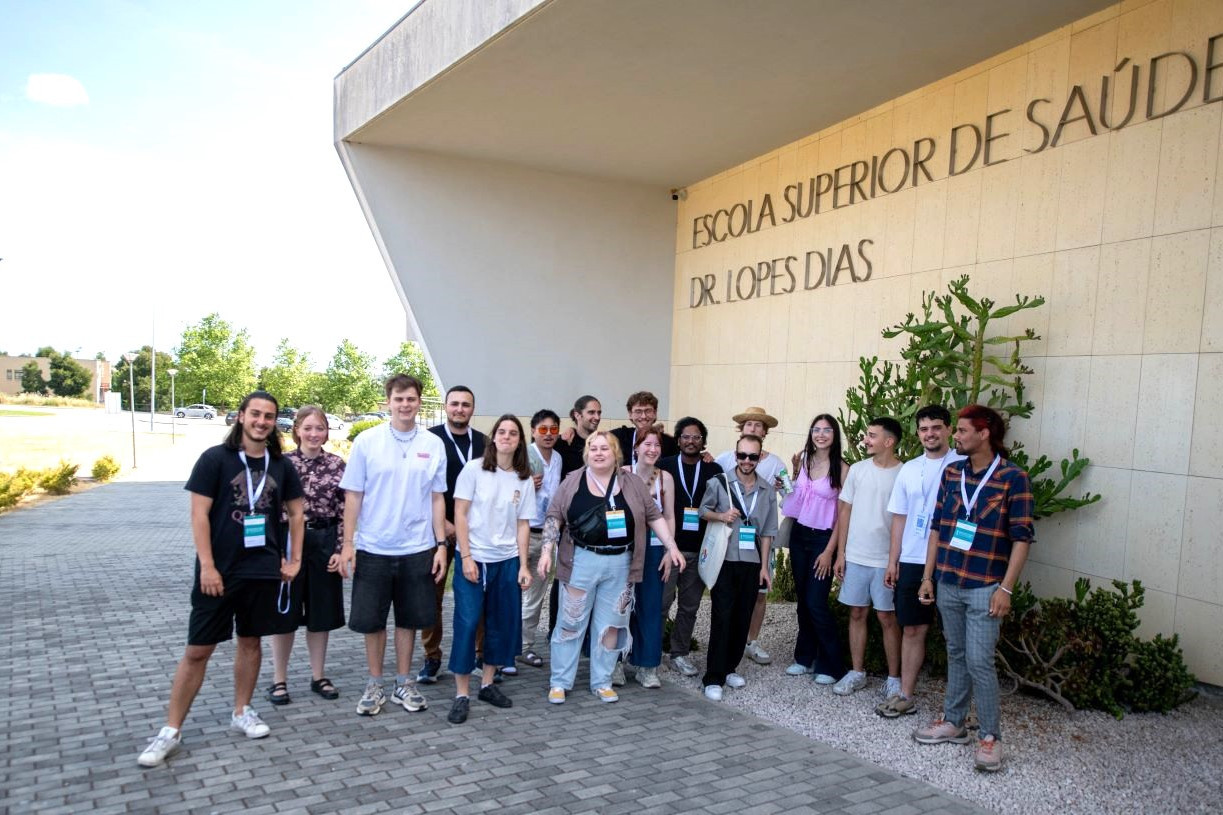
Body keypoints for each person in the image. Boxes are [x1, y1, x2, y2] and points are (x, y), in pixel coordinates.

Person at [138, 391, 304, 767]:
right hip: (219, 572)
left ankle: (242, 711)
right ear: (241, 416)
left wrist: (294, 560)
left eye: (269, 416)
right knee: (198, 650)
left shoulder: (281, 465)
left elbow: (296, 514)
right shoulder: (215, 459)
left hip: (262, 571)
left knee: (251, 642)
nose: (261, 421)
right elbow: (199, 515)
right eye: (255, 414)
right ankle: (170, 730)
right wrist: (208, 566)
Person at [913, 405, 1033, 773]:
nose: (957, 436)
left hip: (986, 585)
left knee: (980, 661)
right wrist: (928, 577)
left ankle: (991, 736)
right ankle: (954, 722)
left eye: (963, 430)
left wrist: (1006, 590)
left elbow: (1022, 537)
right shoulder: (952, 473)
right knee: (956, 653)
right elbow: (937, 527)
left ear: (985, 434)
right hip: (949, 579)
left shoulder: (1013, 478)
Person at [538, 431, 684, 704]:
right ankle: (560, 681)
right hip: (581, 560)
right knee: (571, 622)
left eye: (604, 448)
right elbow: (554, 516)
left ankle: (602, 681)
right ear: (587, 453)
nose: (599, 453)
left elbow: (654, 515)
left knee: (612, 626)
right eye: (593, 448)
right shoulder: (573, 481)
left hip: (620, 564)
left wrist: (671, 546)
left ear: (615, 453)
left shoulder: (632, 482)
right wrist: (547, 551)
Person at [338, 374, 448, 717]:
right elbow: (353, 496)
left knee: (409, 620)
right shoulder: (367, 441)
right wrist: (348, 543)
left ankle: (404, 683)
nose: (405, 405)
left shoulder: (433, 444)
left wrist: (441, 545)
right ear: (388, 402)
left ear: (419, 402)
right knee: (372, 622)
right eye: (399, 398)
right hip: (374, 547)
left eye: (411, 398)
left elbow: (437, 498)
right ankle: (375, 684)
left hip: (417, 548)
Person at [446, 415, 535, 724]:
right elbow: (460, 513)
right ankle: (461, 693)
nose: (506, 436)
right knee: (468, 622)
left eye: (513, 433)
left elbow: (523, 524)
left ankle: (486, 684)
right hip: (475, 558)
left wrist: (523, 565)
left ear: (520, 441)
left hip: (507, 560)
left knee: (499, 623)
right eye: (502, 431)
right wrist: (467, 556)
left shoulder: (523, 479)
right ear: (493, 437)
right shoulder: (474, 470)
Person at [878, 405, 963, 718]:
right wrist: (893, 561)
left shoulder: (963, 465)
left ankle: (961, 706)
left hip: (952, 559)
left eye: (937, 427)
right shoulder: (910, 469)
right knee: (913, 628)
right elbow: (900, 518)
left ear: (949, 429)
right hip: (913, 559)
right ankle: (905, 694)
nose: (930, 434)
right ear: (918, 433)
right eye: (924, 429)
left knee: (957, 637)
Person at [266, 406, 349, 706]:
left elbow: (345, 510)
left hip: (324, 541)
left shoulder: (337, 465)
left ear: (327, 432)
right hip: (289, 542)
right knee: (284, 614)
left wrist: (341, 549)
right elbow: (269, 509)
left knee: (320, 614)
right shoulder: (281, 464)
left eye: (320, 428)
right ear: (297, 430)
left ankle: (318, 675)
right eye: (308, 428)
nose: (314, 434)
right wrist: (275, 553)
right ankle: (279, 679)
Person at [699, 433, 777, 700]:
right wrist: (721, 516)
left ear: (759, 457)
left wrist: (764, 567)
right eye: (742, 455)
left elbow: (767, 533)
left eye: (752, 456)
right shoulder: (719, 482)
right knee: (722, 616)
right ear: (735, 455)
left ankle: (730, 667)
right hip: (724, 558)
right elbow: (703, 511)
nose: (746, 461)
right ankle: (713, 677)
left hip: (751, 562)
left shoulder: (766, 490)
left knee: (742, 617)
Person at [832, 417, 904, 698]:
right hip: (856, 556)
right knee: (857, 612)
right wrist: (841, 553)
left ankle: (895, 679)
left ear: (889, 441)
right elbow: (845, 511)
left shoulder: (904, 473)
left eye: (872, 435)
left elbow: (903, 519)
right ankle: (857, 672)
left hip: (885, 560)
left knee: (887, 617)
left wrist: (894, 561)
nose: (866, 440)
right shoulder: (858, 470)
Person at [420, 385, 486, 685]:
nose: (460, 409)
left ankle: (479, 655)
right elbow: (421, 487)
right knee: (431, 598)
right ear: (446, 406)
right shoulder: (429, 439)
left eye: (466, 404)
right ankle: (432, 657)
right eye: (455, 404)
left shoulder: (484, 443)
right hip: (438, 531)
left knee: (476, 596)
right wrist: (445, 525)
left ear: (473, 409)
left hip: (476, 534)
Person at [714, 406, 786, 666]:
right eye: (749, 424)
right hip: (730, 537)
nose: (753, 428)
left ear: (765, 432)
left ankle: (751, 641)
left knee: (759, 592)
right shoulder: (725, 459)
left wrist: (788, 482)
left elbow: (789, 496)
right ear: (741, 430)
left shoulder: (776, 463)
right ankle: (725, 644)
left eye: (758, 425)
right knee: (728, 592)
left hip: (760, 538)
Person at [781, 414, 849, 685]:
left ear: (835, 435)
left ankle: (832, 665)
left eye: (827, 430)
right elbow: (796, 497)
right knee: (803, 601)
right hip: (799, 535)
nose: (821, 434)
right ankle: (804, 657)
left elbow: (843, 515)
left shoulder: (842, 469)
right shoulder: (804, 461)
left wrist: (830, 551)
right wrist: (790, 476)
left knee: (816, 602)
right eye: (816, 429)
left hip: (823, 539)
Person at [659, 417, 723, 677]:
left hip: (699, 550)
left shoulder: (713, 469)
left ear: (703, 441)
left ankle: (679, 654)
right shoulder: (664, 466)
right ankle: (651, 653)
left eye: (696, 437)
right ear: (678, 440)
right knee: (661, 604)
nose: (691, 441)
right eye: (686, 436)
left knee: (689, 607)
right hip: (669, 549)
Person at [623, 424, 676, 688]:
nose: (652, 449)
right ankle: (614, 662)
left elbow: (669, 516)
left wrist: (669, 550)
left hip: (654, 549)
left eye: (657, 445)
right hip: (625, 549)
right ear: (636, 448)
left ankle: (647, 666)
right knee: (620, 607)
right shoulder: (623, 473)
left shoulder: (665, 478)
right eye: (647, 444)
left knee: (651, 607)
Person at [548, 394, 602, 637]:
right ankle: (555, 630)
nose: (596, 417)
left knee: (590, 579)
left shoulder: (601, 444)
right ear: (577, 415)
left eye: (599, 413)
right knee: (564, 577)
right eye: (591, 412)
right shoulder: (563, 443)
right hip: (568, 525)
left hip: (596, 525)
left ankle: (585, 633)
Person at [520, 409, 562, 669]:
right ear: (533, 431)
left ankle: (523, 647)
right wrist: (525, 484)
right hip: (521, 533)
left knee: (535, 596)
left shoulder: (558, 457)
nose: (548, 434)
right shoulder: (522, 455)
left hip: (547, 535)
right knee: (512, 593)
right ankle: (499, 647)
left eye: (553, 429)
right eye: (543, 429)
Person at [609, 391, 678, 465]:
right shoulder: (618, 437)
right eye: (638, 411)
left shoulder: (669, 443)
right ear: (630, 414)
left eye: (648, 411)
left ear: (655, 413)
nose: (643, 416)